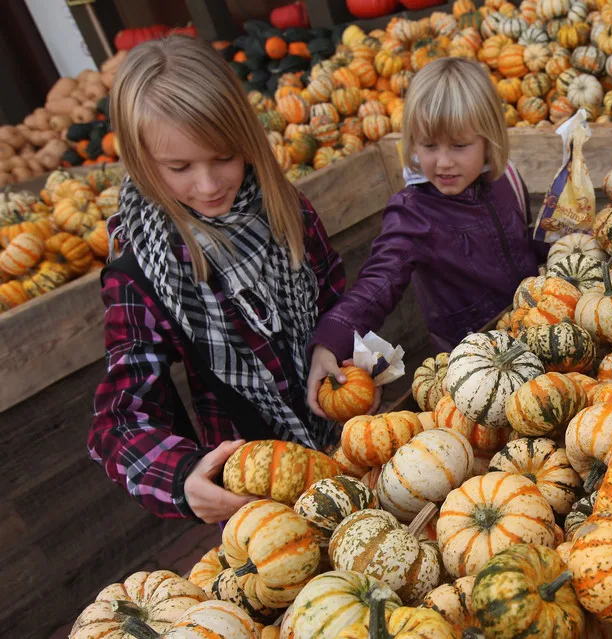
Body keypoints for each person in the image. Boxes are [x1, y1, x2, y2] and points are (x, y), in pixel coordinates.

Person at [89, 36, 346, 523]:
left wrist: (337, 351)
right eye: (180, 167)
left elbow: (336, 297)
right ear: (142, 161)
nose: (208, 185)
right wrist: (185, 478)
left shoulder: (285, 210)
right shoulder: (140, 272)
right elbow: (121, 419)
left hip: (348, 437)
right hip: (257, 499)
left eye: (224, 157)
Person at [306, 57, 546, 415]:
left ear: (488, 141)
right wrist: (332, 339)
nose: (444, 162)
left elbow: (524, 240)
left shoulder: (505, 178)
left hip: (532, 327)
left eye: (459, 146)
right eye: (429, 146)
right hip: (468, 361)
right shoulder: (414, 212)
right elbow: (378, 280)